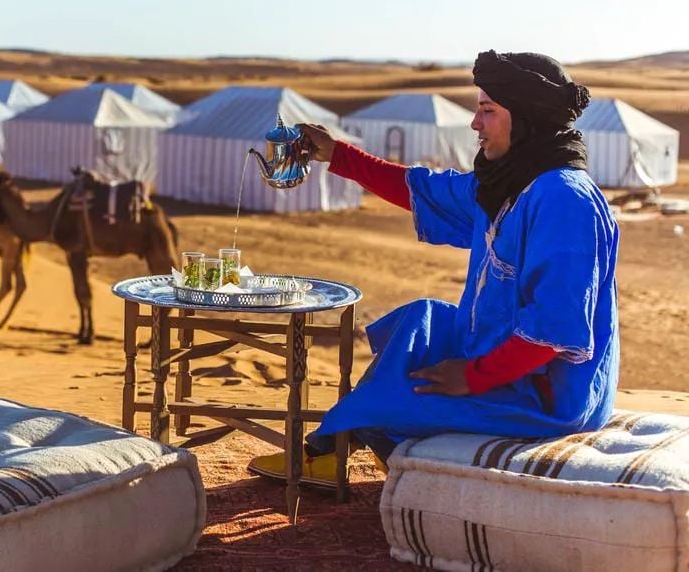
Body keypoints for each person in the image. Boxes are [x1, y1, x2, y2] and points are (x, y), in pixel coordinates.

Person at [248, 50, 619, 484]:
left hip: (545, 395)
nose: (475, 124)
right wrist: (338, 155)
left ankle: (359, 456)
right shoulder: (509, 184)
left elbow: (554, 331)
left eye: (487, 111)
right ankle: (336, 449)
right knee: (421, 319)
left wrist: (475, 376)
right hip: (496, 347)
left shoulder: (564, 201)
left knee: (399, 399)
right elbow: (423, 190)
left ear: (526, 118)